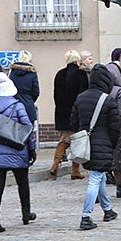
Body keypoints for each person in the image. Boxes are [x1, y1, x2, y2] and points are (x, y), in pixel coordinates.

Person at [0, 72, 37, 234]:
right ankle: (26, 213)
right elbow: (28, 129)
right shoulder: (17, 105)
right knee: (23, 183)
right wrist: (32, 148)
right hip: (17, 150)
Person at [71, 63, 120, 230]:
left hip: (86, 144)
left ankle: (108, 210)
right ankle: (86, 216)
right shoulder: (108, 100)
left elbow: (73, 122)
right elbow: (115, 127)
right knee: (95, 179)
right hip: (103, 143)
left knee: (100, 176)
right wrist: (112, 145)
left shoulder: (80, 97)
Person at [50, 50, 86, 180]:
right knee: (76, 141)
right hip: (74, 112)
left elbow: (55, 95)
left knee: (64, 140)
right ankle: (75, 170)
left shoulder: (59, 74)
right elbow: (83, 95)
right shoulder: (81, 74)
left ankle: (55, 165)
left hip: (61, 112)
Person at [106, 47, 121, 197]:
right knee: (119, 158)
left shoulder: (94, 93)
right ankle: (119, 187)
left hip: (99, 130)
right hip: (116, 127)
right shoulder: (118, 91)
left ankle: (98, 191)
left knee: (100, 160)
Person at [8, 50, 40, 125]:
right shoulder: (32, 73)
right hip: (28, 105)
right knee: (27, 132)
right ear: (29, 60)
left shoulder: (12, 72)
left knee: (13, 133)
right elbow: (36, 91)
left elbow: (8, 89)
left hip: (14, 104)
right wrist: (30, 100)